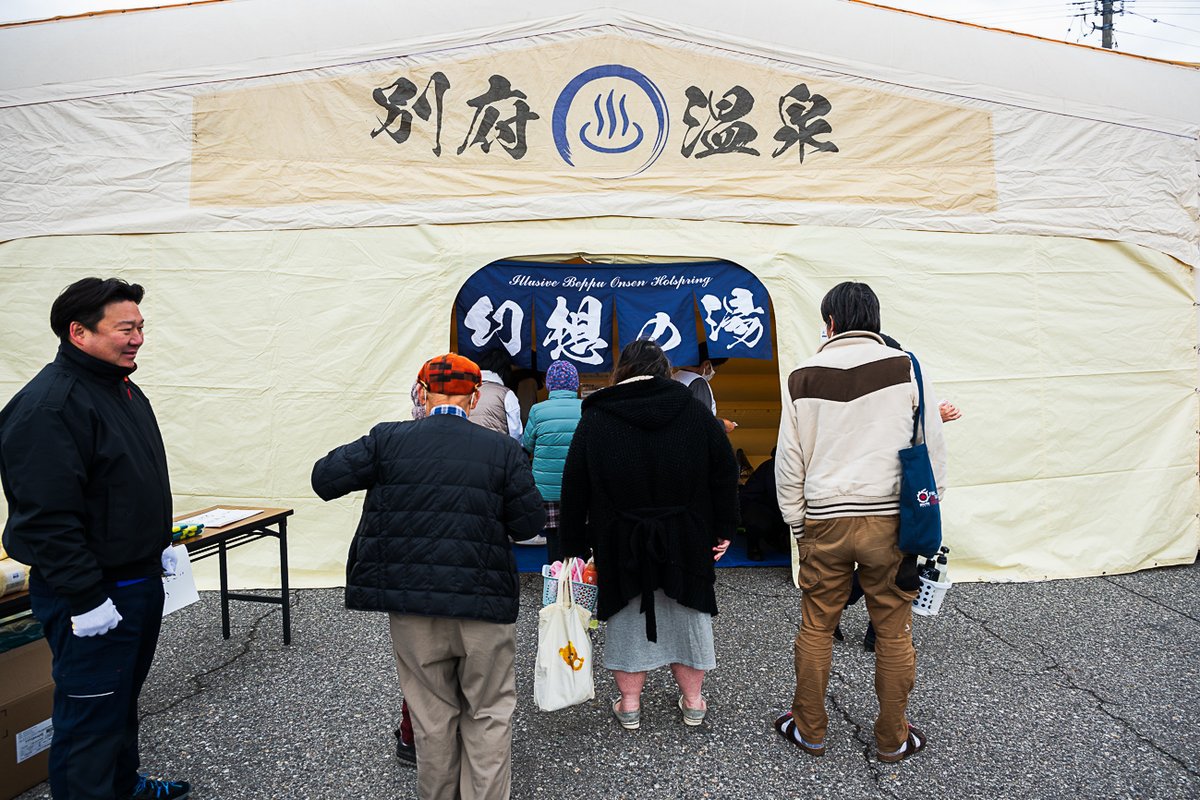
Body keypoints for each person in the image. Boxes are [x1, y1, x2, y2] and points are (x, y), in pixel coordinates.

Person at [311, 353, 544, 800]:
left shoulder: (388, 440)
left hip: (413, 606)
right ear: (475, 398)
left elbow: (324, 478)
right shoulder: (502, 450)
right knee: (490, 711)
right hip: (485, 604)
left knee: (431, 716)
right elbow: (528, 523)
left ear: (420, 394)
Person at [0, 277, 190, 800]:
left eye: (141, 327)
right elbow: (47, 521)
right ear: (78, 332)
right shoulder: (50, 409)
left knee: (118, 700)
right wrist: (86, 600)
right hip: (94, 592)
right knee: (88, 717)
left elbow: (120, 485)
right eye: (126, 329)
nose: (138, 339)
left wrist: (156, 544)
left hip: (137, 580)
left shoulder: (120, 388)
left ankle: (122, 786)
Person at [773, 281, 947, 763]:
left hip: (824, 518)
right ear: (874, 320)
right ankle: (893, 738)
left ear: (829, 323)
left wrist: (798, 526)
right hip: (890, 519)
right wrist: (927, 515)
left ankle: (810, 729)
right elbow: (930, 448)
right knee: (893, 629)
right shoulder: (907, 366)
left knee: (816, 626)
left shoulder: (802, 374)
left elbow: (789, 460)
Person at [560, 339, 739, 730]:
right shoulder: (693, 410)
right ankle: (693, 702)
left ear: (621, 372)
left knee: (626, 614)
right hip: (687, 535)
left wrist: (572, 544)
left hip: (620, 536)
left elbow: (574, 483)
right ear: (664, 370)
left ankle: (630, 705)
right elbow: (725, 470)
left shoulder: (597, 415)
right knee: (689, 612)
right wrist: (724, 528)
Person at [521, 360, 583, 564]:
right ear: (576, 384)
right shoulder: (586, 408)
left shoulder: (538, 410)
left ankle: (556, 587)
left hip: (547, 492)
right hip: (579, 489)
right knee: (581, 536)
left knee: (554, 539)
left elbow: (527, 445)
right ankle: (581, 586)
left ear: (548, 385)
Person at [673, 341, 737, 434]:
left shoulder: (674, 377)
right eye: (715, 368)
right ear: (707, 365)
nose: (714, 372)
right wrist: (724, 425)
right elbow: (701, 422)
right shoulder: (698, 382)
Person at [738, 447, 789, 561]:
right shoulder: (771, 467)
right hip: (759, 506)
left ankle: (777, 539)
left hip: (779, 506)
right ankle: (754, 546)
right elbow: (773, 493)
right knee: (758, 520)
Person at [473, 347, 523, 442]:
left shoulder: (468, 390)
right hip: (496, 449)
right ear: (504, 371)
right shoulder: (506, 393)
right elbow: (515, 432)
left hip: (468, 447)